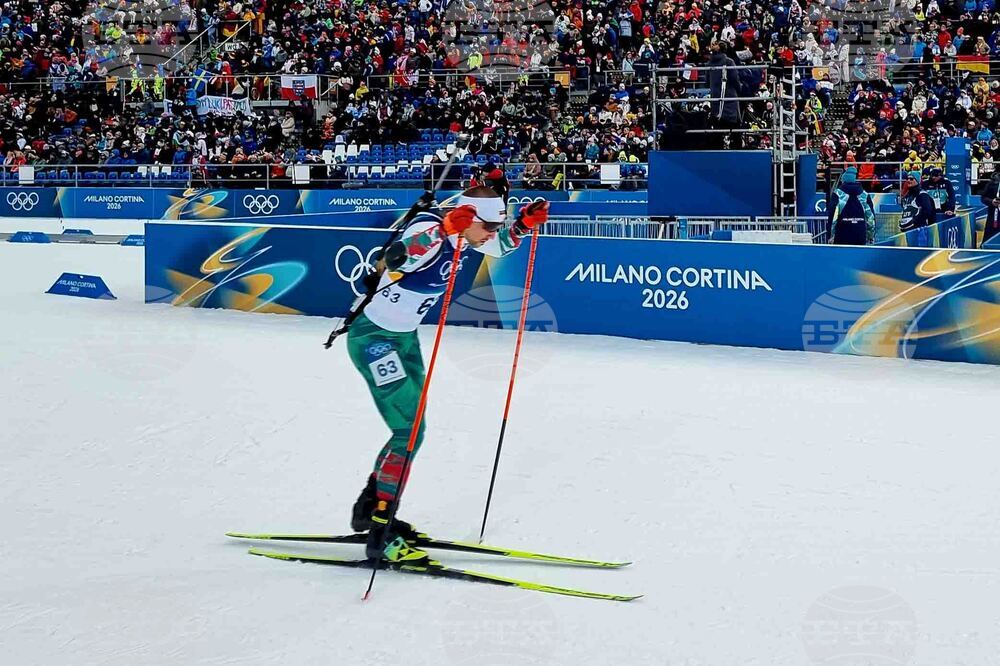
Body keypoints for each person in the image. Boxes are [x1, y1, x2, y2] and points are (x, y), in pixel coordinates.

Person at [346, 186, 549, 564]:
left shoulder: (466, 236)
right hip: (373, 339)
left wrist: (521, 225)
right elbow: (394, 260)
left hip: (403, 340)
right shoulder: (429, 227)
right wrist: (440, 231)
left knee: (414, 429)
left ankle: (370, 506)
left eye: (495, 224)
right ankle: (379, 529)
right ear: (468, 215)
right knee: (408, 430)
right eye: (488, 224)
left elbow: (499, 246)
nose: (491, 231)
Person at [827, 167, 876, 245]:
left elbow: (833, 217)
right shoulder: (864, 195)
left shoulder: (838, 194)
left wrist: (831, 236)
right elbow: (870, 218)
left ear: (844, 179)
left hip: (842, 236)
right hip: (860, 235)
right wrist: (871, 236)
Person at [980, 169, 1000, 243]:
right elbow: (983, 197)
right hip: (994, 216)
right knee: (989, 239)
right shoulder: (994, 181)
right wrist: (991, 201)